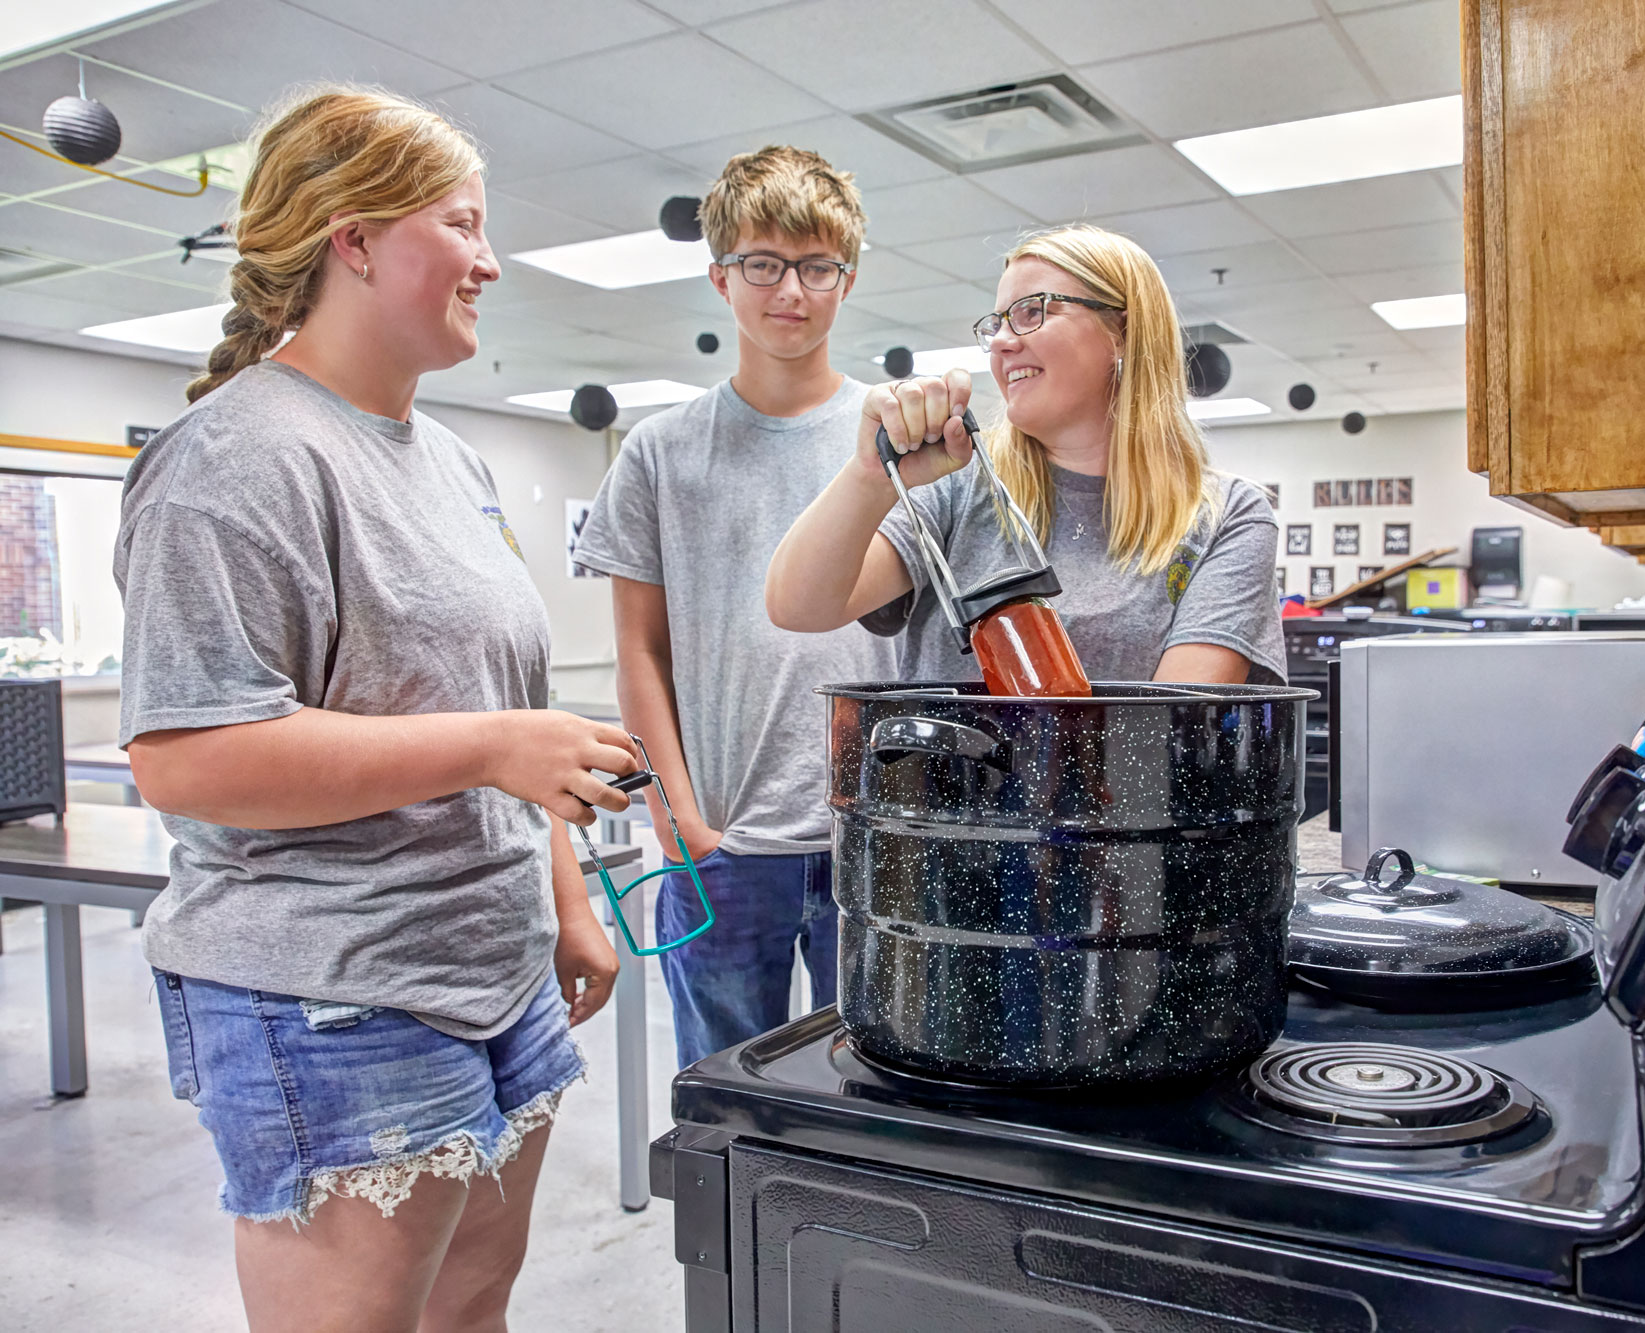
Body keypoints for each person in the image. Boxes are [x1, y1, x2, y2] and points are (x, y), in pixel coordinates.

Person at [115, 87, 639, 1333]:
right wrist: (495, 748)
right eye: (461, 224)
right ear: (352, 239)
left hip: (491, 966)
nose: (491, 260)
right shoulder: (236, 458)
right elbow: (190, 760)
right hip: (330, 992)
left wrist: (561, 899)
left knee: (472, 1305)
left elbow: (496, 705)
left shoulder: (446, 459)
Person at [569, 146, 894, 1069]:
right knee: (725, 1103)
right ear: (721, 276)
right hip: (722, 847)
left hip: (871, 840)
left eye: (816, 266)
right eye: (763, 263)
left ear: (847, 278)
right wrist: (677, 821)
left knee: (879, 1098)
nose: (789, 289)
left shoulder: (896, 435)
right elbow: (640, 651)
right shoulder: (661, 452)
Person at [766, 223, 1286, 688]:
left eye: (1032, 313)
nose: (1000, 344)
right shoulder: (959, 479)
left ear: (1122, 332)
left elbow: (1172, 729)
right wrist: (869, 476)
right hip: (943, 798)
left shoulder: (1225, 516)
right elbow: (799, 607)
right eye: (997, 324)